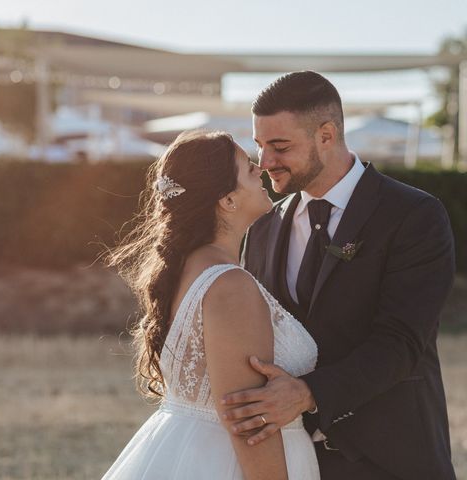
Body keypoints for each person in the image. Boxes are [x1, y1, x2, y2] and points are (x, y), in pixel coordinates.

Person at [222, 71, 456, 480]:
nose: (265, 163)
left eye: (280, 146)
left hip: (391, 457)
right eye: (260, 146)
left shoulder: (414, 215)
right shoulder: (261, 227)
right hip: (292, 459)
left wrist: (308, 394)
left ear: (326, 135)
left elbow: (402, 342)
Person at [102, 130, 320, 479]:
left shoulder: (190, 267)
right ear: (227, 200)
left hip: (189, 451)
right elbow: (248, 422)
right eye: (249, 169)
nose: (262, 169)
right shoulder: (230, 285)